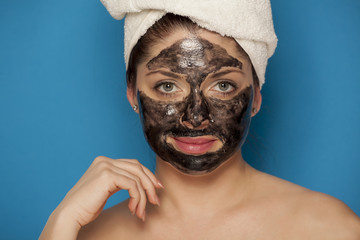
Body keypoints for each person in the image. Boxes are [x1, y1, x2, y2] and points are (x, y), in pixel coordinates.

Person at [40, 1, 360, 239]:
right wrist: (59, 224)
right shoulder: (85, 235)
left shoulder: (332, 229)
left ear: (256, 96)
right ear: (131, 93)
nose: (195, 118)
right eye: (167, 86)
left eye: (223, 86)